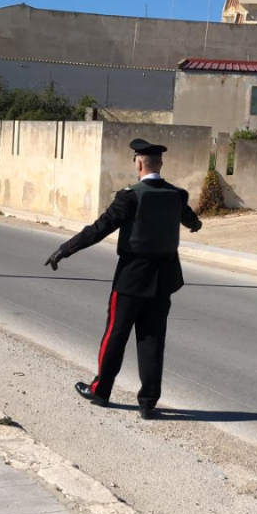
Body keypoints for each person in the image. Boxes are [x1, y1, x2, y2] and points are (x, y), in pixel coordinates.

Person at [44, 138, 202, 419]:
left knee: (115, 335)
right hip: (164, 279)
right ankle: (148, 403)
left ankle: (101, 391)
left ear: (139, 164)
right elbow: (190, 219)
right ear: (160, 163)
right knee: (152, 338)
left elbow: (99, 229)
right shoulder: (177, 195)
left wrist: (65, 249)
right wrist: (195, 225)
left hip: (132, 278)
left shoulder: (130, 196)